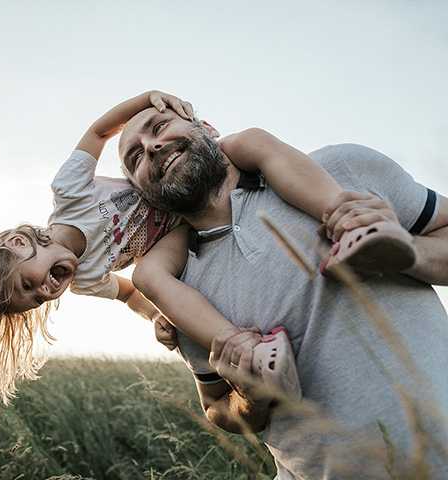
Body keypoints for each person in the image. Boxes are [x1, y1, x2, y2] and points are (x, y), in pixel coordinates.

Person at [0, 90, 412, 419]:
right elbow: (127, 293)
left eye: (28, 283)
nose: (47, 290)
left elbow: (99, 129)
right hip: (176, 225)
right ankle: (246, 354)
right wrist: (159, 319)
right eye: (38, 300)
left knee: (250, 140)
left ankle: (349, 220)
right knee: (149, 278)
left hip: (180, 191)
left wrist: (147, 100)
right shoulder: (85, 278)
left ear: (20, 244)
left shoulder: (69, 192)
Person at [119, 106, 448, 478]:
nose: (151, 147)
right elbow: (215, 406)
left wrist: (409, 251)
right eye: (136, 157)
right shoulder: (177, 290)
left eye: (159, 126)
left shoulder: (342, 169)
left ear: (206, 128)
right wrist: (250, 398)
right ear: (144, 192)